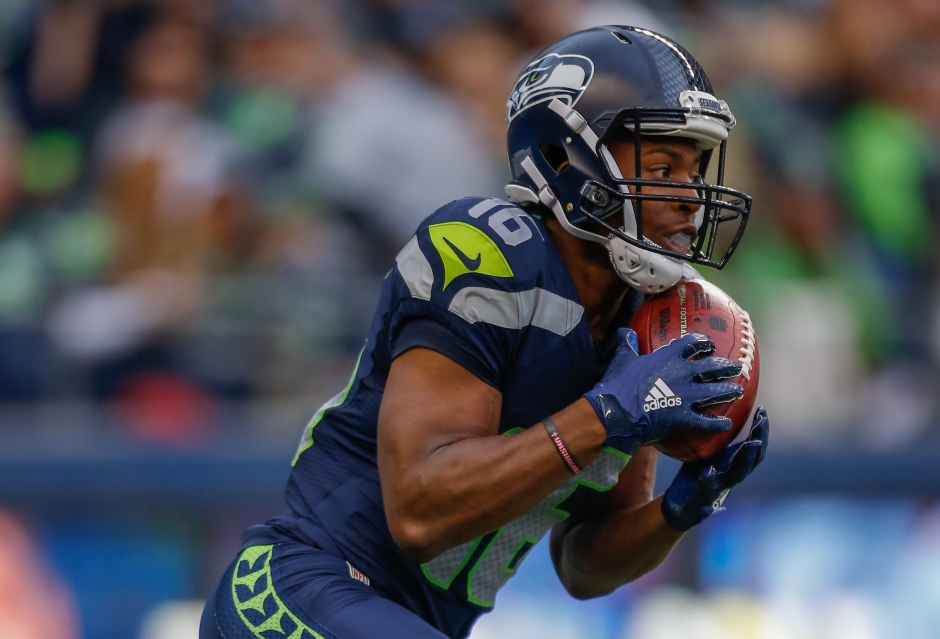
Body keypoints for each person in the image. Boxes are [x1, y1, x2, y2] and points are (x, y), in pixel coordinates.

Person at [200, 25, 769, 639]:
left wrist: (680, 510)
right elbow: (419, 512)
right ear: (563, 158)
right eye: (662, 166)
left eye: (692, 171)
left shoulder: (646, 319)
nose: (688, 198)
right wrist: (608, 411)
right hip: (301, 588)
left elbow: (582, 565)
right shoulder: (489, 251)